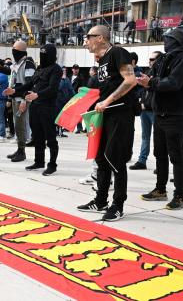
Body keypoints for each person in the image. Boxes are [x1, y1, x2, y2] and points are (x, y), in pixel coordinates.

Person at [76, 25, 137, 221]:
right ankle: (100, 200)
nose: (85, 41)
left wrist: (108, 101)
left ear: (101, 38)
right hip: (105, 115)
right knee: (101, 158)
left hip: (120, 114)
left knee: (116, 159)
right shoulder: (101, 61)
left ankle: (117, 204)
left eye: (88, 37)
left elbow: (130, 80)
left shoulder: (118, 52)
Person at [138, 28, 183, 210]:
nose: (164, 41)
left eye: (168, 38)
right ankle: (160, 189)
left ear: (176, 40)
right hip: (160, 113)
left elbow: (174, 83)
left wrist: (151, 83)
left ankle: (180, 196)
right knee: (159, 154)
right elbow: (156, 80)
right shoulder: (165, 57)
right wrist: (148, 81)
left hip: (174, 115)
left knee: (176, 156)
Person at [4, 43, 62, 176]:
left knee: (50, 137)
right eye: (41, 54)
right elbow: (30, 83)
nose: (42, 57)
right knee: (38, 136)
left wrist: (38, 94)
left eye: (45, 54)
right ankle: (39, 161)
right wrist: (14, 90)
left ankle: (52, 165)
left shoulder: (56, 69)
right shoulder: (41, 68)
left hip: (48, 107)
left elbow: (53, 88)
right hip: (35, 106)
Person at [129, 51, 162, 170]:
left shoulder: (161, 75)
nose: (150, 61)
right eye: (150, 59)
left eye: (152, 59)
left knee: (159, 138)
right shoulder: (148, 73)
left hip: (153, 110)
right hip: (144, 110)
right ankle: (142, 160)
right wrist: (141, 101)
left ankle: (161, 164)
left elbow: (157, 93)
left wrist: (145, 104)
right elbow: (143, 91)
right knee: (145, 136)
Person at [56, 69, 75, 137]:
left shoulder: (66, 79)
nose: (64, 71)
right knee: (58, 116)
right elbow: (59, 88)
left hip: (65, 100)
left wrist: (75, 96)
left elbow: (70, 89)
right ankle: (57, 131)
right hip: (58, 101)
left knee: (63, 116)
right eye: (63, 70)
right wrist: (62, 79)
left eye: (65, 70)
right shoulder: (57, 78)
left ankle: (61, 131)